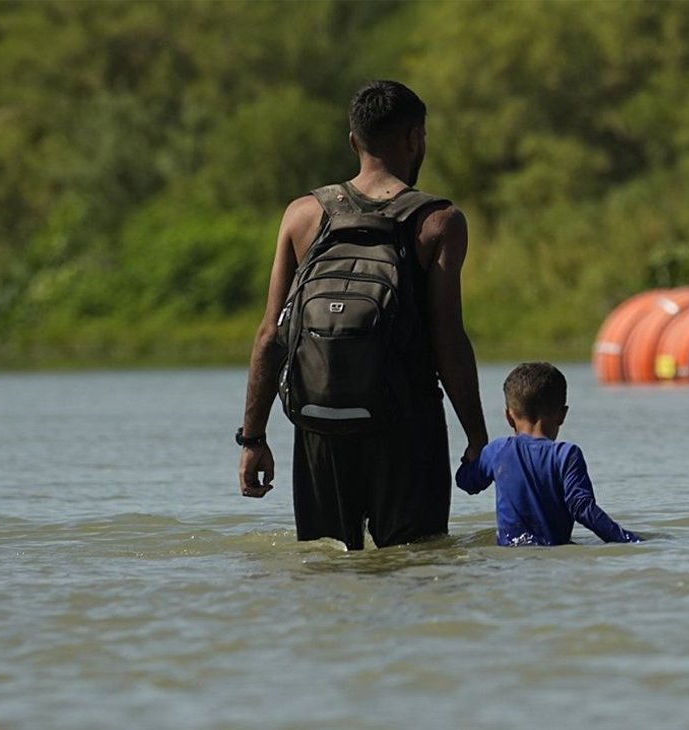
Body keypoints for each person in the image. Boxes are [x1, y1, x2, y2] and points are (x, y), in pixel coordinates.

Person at [237, 80, 489, 549]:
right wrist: (477, 437)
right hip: (406, 425)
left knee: (327, 564)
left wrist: (252, 439)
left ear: (354, 141)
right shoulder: (438, 221)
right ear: (415, 138)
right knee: (416, 563)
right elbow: (448, 339)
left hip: (318, 424)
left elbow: (270, 335)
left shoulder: (302, 215)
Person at [455, 362, 641, 546]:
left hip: (511, 560)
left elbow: (467, 483)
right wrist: (627, 539)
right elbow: (582, 508)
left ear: (509, 417)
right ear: (562, 415)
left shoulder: (497, 451)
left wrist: (470, 457)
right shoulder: (566, 455)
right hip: (555, 556)